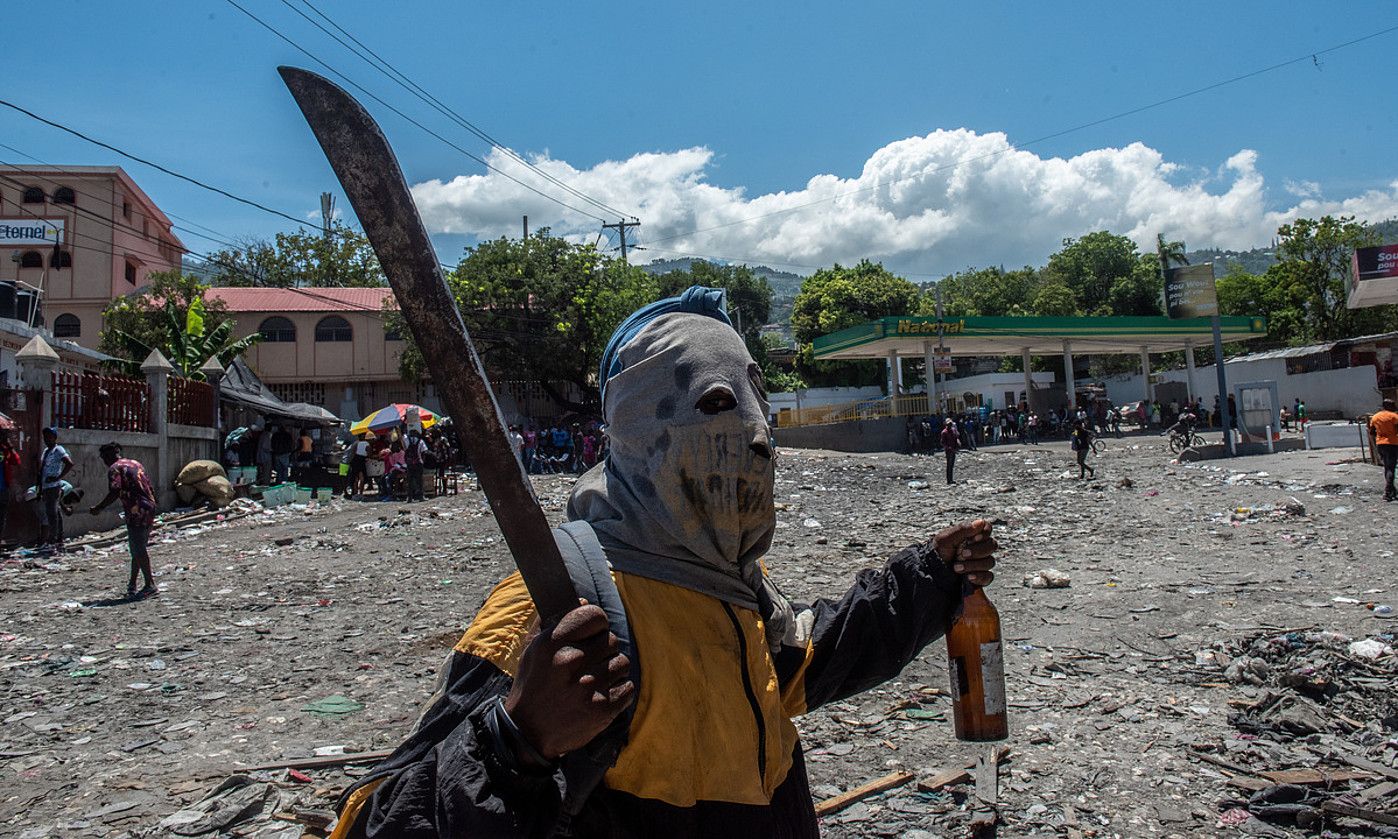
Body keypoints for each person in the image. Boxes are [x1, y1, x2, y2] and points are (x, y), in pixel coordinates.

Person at [326, 286, 998, 838]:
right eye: (712, 404)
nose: (754, 435)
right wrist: (515, 740)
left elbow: (802, 665)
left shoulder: (738, 589)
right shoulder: (555, 600)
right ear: (642, 429)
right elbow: (374, 822)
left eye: (756, 402)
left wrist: (929, 578)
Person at [89, 443, 159, 600]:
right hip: (149, 506)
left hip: (136, 509)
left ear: (107, 457)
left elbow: (115, 491)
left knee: (138, 548)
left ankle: (150, 584)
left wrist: (99, 507)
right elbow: (149, 486)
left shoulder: (114, 468)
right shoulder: (135, 463)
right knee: (137, 547)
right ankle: (132, 584)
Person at [38, 427, 74, 551]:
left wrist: (57, 478)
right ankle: (59, 539)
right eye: (45, 437)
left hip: (53, 486)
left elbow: (69, 463)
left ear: (54, 437)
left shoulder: (58, 450)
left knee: (52, 514)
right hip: (46, 486)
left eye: (49, 437)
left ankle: (52, 541)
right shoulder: (46, 451)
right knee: (55, 512)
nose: (46, 439)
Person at [1369, 398, 1398, 502]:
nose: (1395, 407)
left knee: (1387, 467)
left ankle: (1392, 490)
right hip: (1392, 444)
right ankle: (1388, 491)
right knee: (1391, 468)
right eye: (1393, 405)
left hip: (1380, 444)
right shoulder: (1394, 417)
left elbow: (1372, 432)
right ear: (1388, 406)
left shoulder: (1375, 417)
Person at [0, 430, 20, 551]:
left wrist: (10, 447)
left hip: (3, 489)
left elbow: (16, 461)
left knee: (2, 517)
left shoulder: (5, 450)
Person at [403, 428, 428, 502]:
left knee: (410, 480)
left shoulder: (406, 441)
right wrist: (422, 461)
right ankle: (420, 496)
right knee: (419, 480)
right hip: (418, 463)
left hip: (409, 463)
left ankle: (410, 497)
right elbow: (424, 452)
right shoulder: (421, 441)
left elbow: (404, 450)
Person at [940, 416, 960, 485]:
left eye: (950, 424)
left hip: (953, 449)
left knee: (951, 465)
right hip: (949, 451)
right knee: (949, 465)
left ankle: (951, 479)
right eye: (948, 424)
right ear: (946, 425)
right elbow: (943, 443)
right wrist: (949, 448)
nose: (950, 425)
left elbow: (956, 438)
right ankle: (949, 480)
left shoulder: (953, 430)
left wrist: (957, 443)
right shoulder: (944, 432)